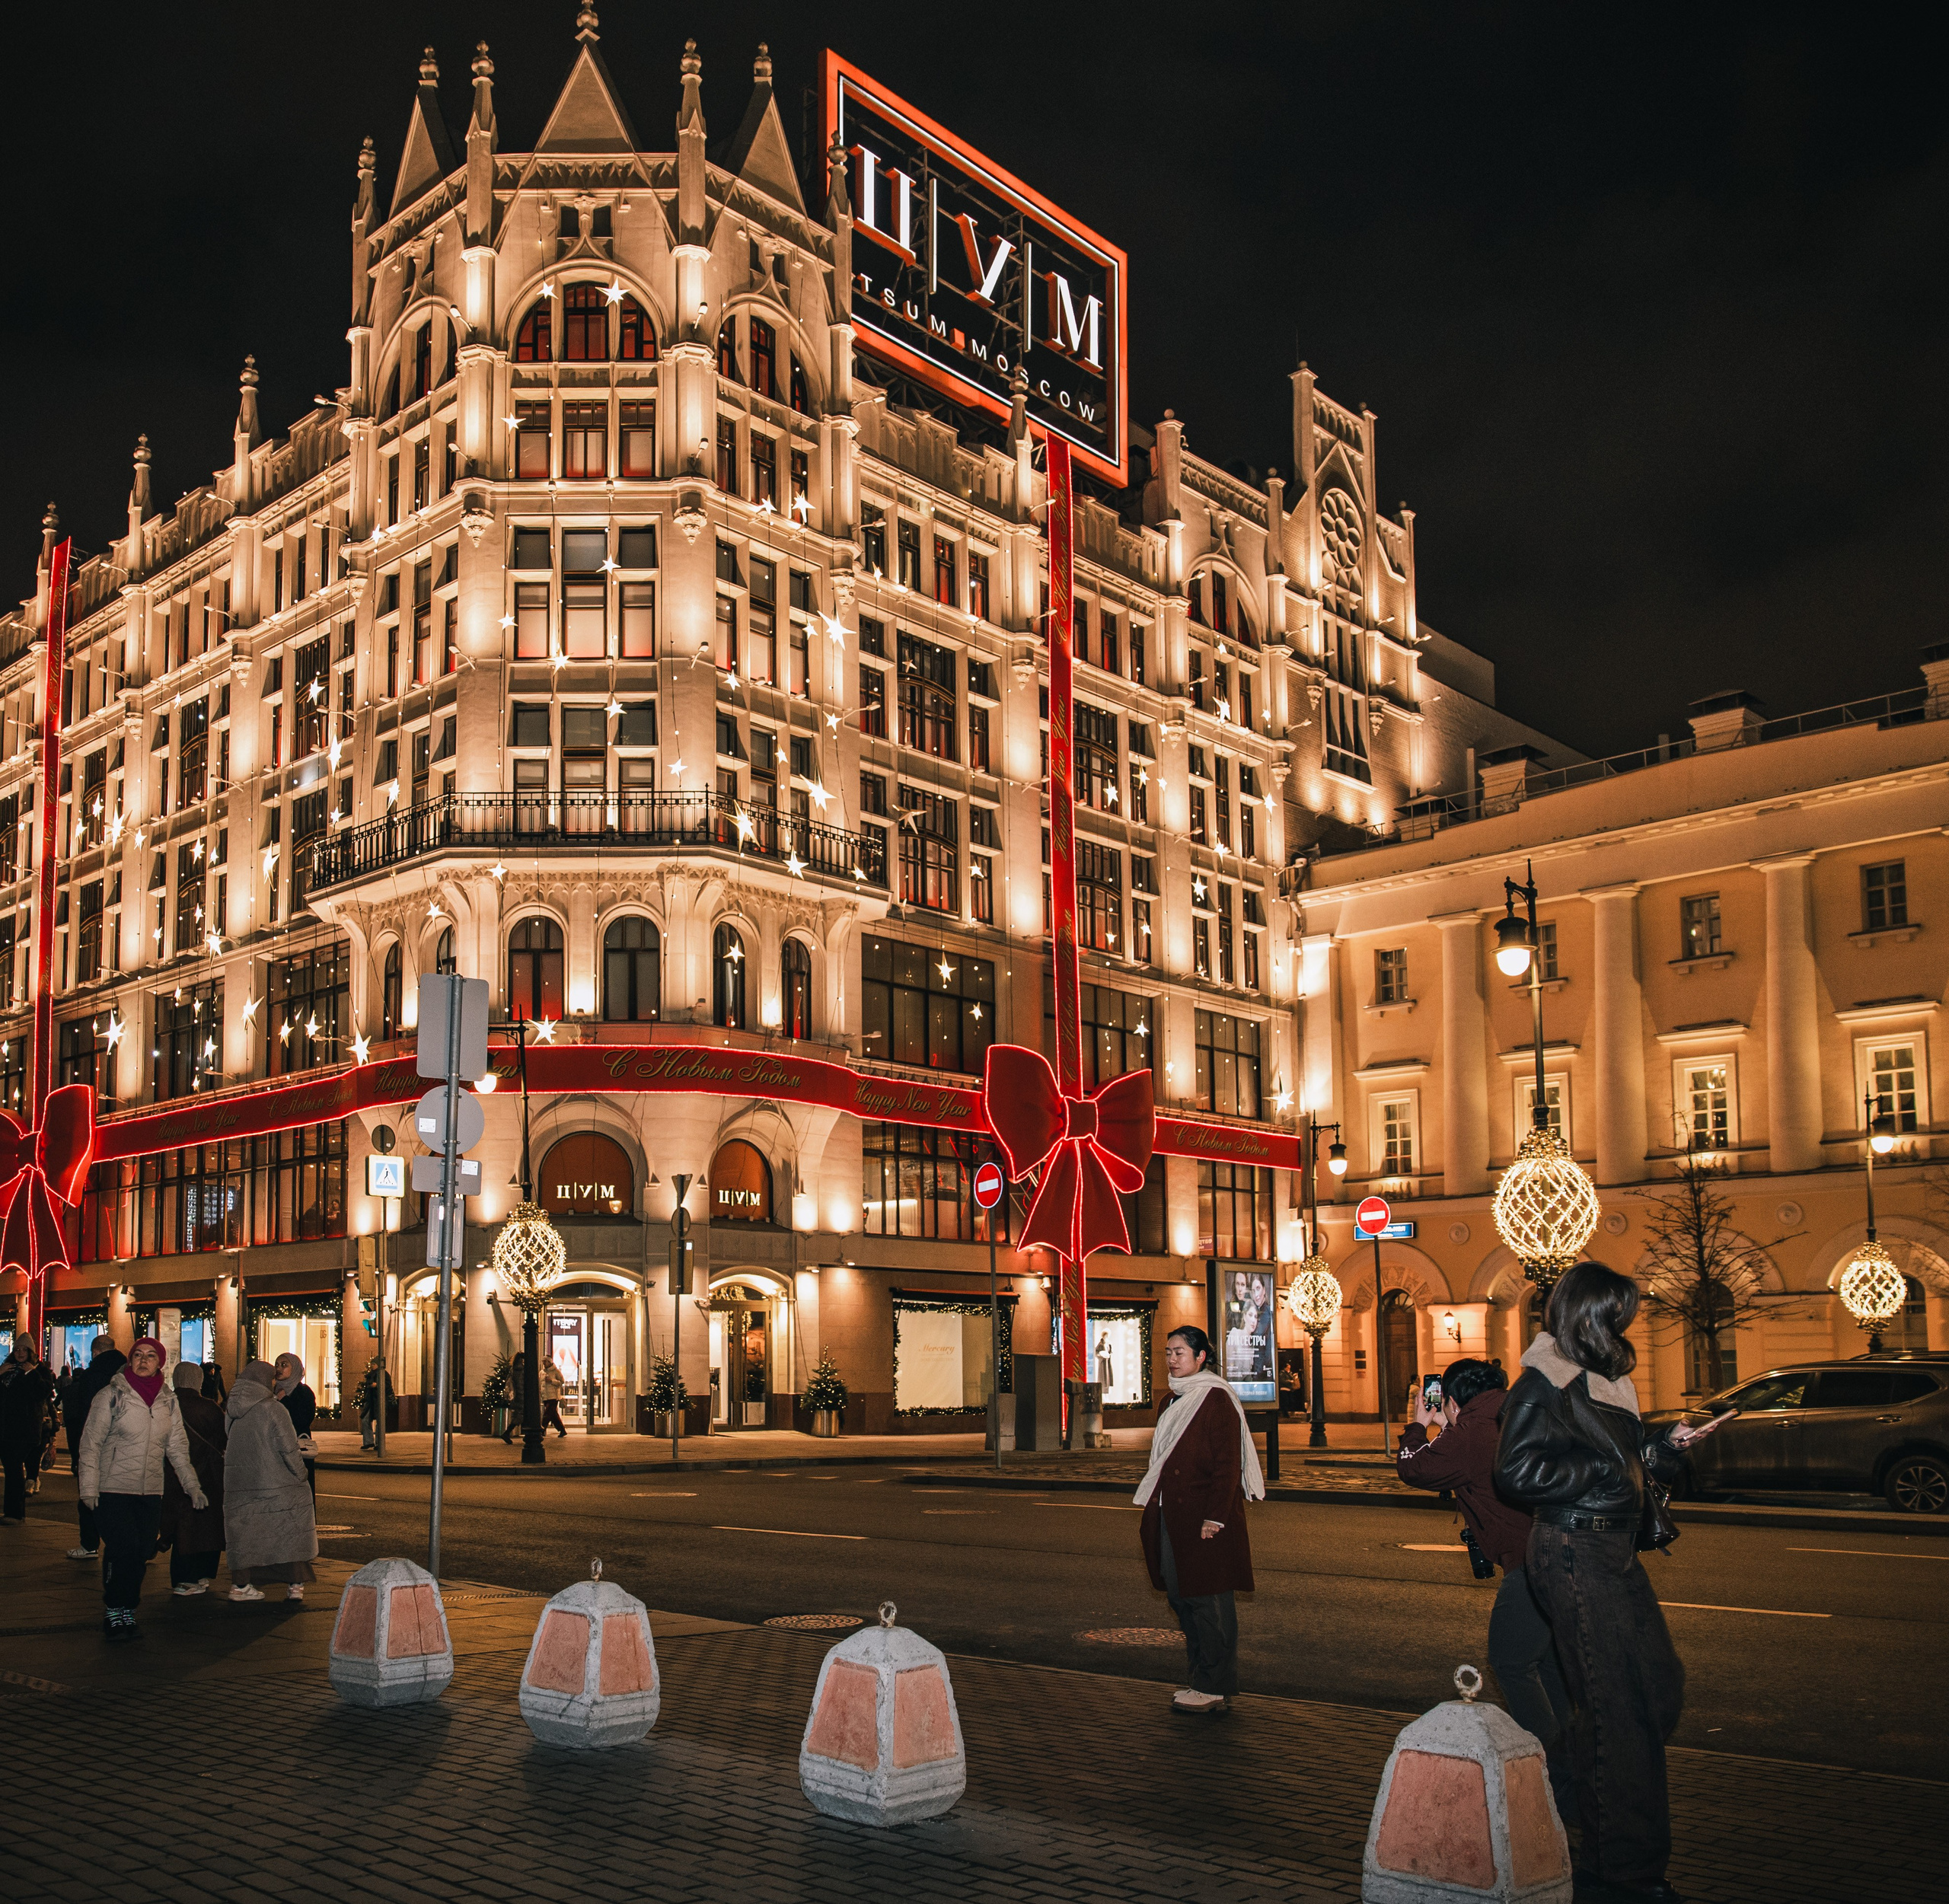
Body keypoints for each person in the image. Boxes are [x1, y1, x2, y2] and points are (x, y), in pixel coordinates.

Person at [1495, 1262, 1725, 1904]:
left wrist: (1664, 1448)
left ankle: (1565, 1783)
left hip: (1612, 1547)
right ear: (1588, 1316)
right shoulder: (1545, 1379)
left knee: (1657, 1689)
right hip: (1572, 1547)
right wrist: (1601, 1470)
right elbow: (1515, 1470)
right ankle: (1622, 1872)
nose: (1625, 1324)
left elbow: (1623, 1462)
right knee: (1619, 1710)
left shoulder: (1607, 1381)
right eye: (1617, 1314)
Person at [1397, 1357, 1576, 1823]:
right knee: (1548, 1666)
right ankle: (1578, 1774)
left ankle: (1555, 1774)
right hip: (1566, 1553)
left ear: (1453, 1401)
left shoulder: (1473, 1431)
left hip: (1533, 1562)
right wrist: (1449, 1427)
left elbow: (1414, 1469)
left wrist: (1418, 1426)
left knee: (1511, 1660)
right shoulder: (1515, 1413)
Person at [1134, 1325, 1265, 1714]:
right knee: (1181, 1597)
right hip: (1171, 1513)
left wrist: (1216, 1518)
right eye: (1168, 1353)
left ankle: (1214, 1685)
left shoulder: (1216, 1398)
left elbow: (1228, 1465)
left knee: (1208, 1600)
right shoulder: (1171, 1400)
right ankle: (1199, 1678)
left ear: (1201, 1356)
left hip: (1205, 1518)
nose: (1172, 1359)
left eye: (1180, 1353)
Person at [75, 1338, 207, 1641]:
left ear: (160, 1363)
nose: (143, 1360)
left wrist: (192, 1486)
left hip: (150, 1491)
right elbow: (91, 1443)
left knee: (142, 1552)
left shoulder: (168, 1401)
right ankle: (115, 1611)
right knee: (122, 1549)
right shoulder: (111, 1395)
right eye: (138, 1355)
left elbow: (177, 1448)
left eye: (150, 1356)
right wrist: (89, 1488)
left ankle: (128, 1610)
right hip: (113, 1488)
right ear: (130, 1360)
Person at [223, 1360, 318, 1603]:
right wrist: (302, 1474)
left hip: (242, 1482)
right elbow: (288, 1448)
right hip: (275, 1482)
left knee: (246, 1534)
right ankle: (295, 1584)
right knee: (290, 1529)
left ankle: (240, 1585)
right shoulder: (273, 1409)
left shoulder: (233, 1408)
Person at [161, 1360, 228, 1595]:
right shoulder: (208, 1407)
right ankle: (199, 1574)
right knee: (208, 1526)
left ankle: (182, 1576)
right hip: (207, 1475)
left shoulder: (165, 1404)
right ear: (198, 1380)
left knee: (182, 1527)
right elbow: (223, 1439)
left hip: (172, 1473)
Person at [61, 1335, 125, 1558]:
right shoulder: (128, 1372)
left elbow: (86, 1415)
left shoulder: (93, 1375)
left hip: (99, 1440)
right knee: (122, 1495)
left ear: (95, 1352)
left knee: (89, 1493)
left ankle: (89, 1544)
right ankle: (128, 1545)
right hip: (124, 1442)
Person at [0, 1337, 57, 1524]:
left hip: (25, 1428)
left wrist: (32, 1373)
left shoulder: (39, 1370)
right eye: (17, 1349)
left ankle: (14, 1514)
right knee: (11, 1468)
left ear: (31, 1352)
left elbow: (43, 1392)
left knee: (14, 1467)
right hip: (5, 1428)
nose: (20, 1353)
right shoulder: (7, 1369)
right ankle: (15, 1513)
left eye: (24, 1350)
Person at [273, 1352, 318, 1495]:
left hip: (297, 1451)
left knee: (299, 1493)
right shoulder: (272, 1391)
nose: (279, 1368)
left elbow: (303, 1420)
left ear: (295, 1368)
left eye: (284, 1365)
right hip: (276, 1451)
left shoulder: (304, 1392)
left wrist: (285, 1400)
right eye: (277, 1365)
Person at [501, 1351, 526, 1443]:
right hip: (521, 1396)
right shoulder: (520, 1370)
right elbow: (520, 1385)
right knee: (520, 1416)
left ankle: (507, 1433)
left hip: (517, 1396)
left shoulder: (514, 1369)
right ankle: (507, 1433)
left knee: (519, 1415)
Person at [540, 1355, 568, 1437]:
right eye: (543, 1362)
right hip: (545, 1396)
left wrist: (552, 1381)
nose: (544, 1363)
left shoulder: (556, 1371)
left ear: (550, 1362)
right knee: (553, 1415)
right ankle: (562, 1430)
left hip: (553, 1396)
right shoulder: (542, 1372)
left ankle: (542, 1429)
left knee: (547, 1414)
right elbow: (540, 1384)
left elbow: (562, 1382)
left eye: (545, 1361)